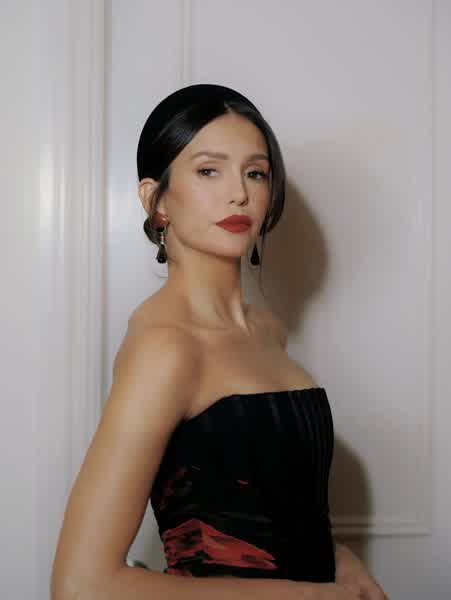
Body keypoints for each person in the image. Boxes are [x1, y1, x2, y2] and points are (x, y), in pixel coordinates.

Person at [51, 84, 387, 600]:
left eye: (255, 173)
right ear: (156, 199)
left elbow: (269, 512)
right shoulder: (166, 348)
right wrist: (307, 597)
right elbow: (81, 584)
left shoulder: (267, 329)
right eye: (209, 170)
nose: (239, 194)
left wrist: (341, 561)